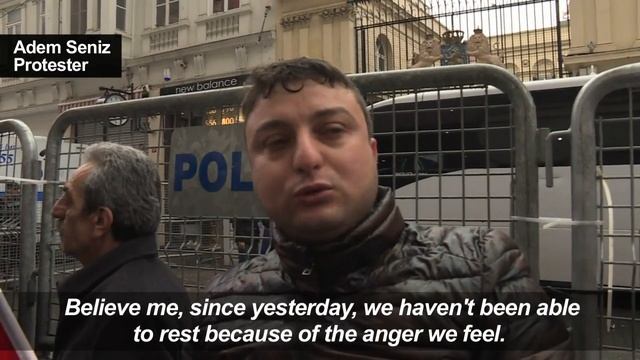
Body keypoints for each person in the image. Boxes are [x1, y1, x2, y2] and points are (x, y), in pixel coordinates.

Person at [198, 57, 572, 358]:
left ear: (373, 153)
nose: (307, 158)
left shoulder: (489, 272)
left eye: (331, 131)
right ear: (253, 171)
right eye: (277, 141)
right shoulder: (221, 304)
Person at [51, 142, 190, 360]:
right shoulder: (139, 287)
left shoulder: (124, 313)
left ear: (100, 221)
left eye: (68, 199)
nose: (56, 210)